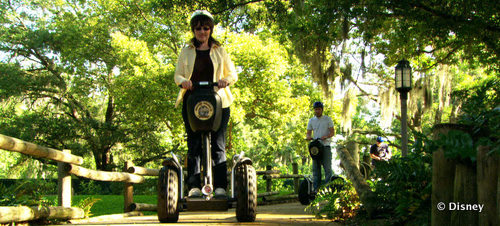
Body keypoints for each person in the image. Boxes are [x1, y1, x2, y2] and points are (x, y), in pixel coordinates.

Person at [174, 10, 237, 198]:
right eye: (199, 28)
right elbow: (177, 74)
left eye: (206, 28)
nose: (202, 32)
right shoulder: (186, 51)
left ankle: (220, 187)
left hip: (218, 101)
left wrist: (225, 80)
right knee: (193, 144)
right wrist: (183, 81)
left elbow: (233, 74)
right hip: (193, 101)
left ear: (211, 29)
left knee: (218, 144)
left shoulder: (219, 50)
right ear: (194, 30)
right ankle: (193, 187)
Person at [306, 101, 335, 192]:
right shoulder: (311, 120)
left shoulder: (327, 119)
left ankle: (327, 189)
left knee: (327, 168)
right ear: (314, 110)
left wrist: (326, 136)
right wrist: (308, 137)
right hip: (316, 147)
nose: (317, 111)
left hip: (325, 145)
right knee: (316, 169)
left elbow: (332, 132)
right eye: (316, 109)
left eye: (319, 109)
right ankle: (316, 189)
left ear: (322, 110)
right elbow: (308, 133)